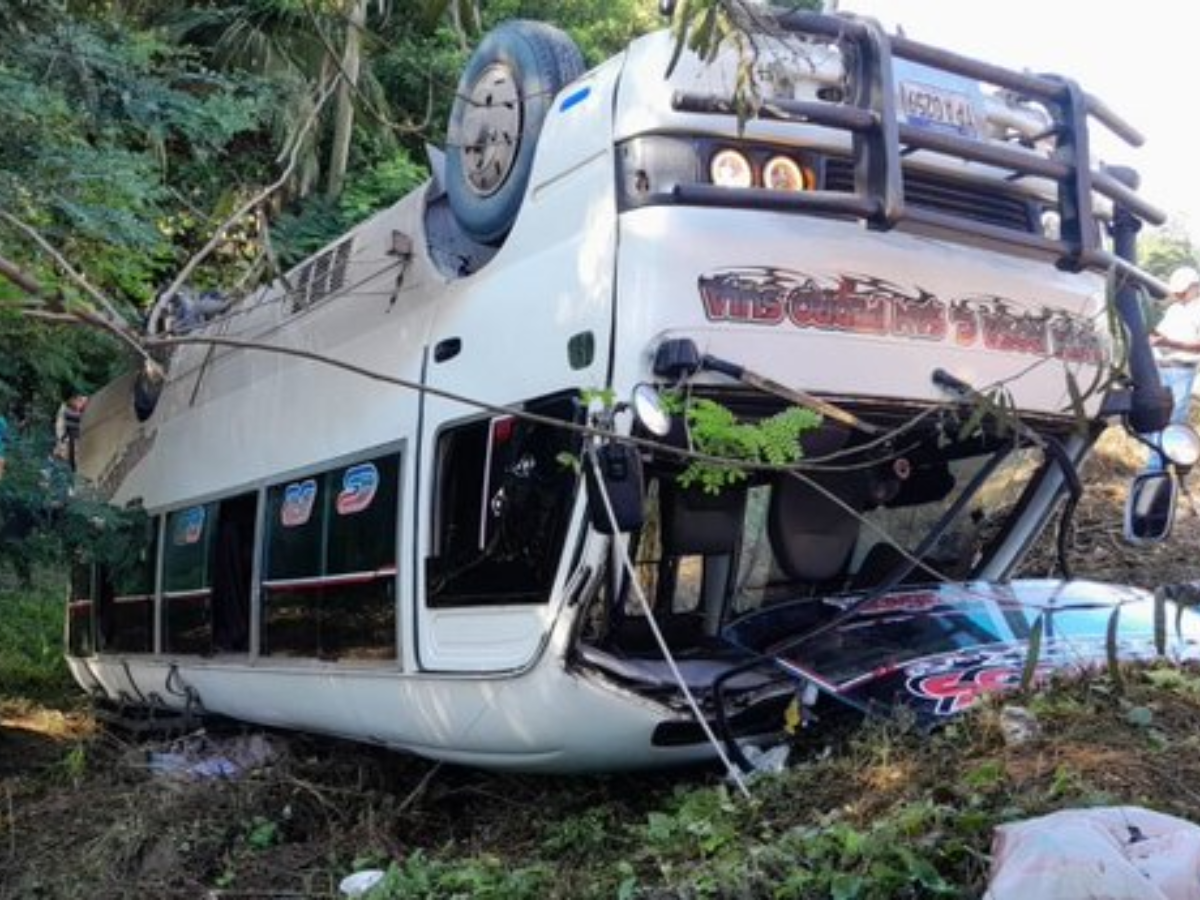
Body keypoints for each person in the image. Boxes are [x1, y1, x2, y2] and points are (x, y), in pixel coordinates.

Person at [1146, 265, 1200, 472]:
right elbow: (1159, 333)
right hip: (1161, 369)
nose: (1179, 295)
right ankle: (1157, 463)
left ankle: (1156, 469)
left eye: (1183, 291)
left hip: (1181, 371)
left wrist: (1170, 344)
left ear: (1195, 287)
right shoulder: (1174, 309)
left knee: (1171, 421)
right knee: (1155, 417)